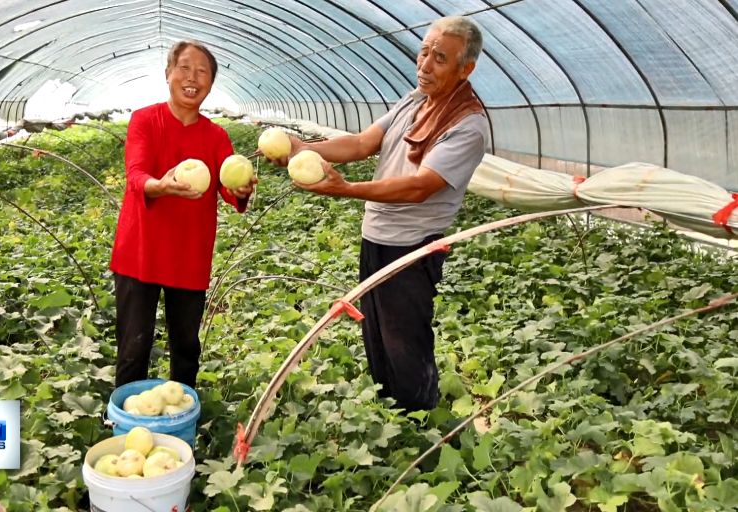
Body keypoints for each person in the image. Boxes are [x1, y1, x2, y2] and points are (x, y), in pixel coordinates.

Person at [266, 16, 489, 413]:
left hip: (412, 249)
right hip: (378, 238)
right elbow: (363, 143)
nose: (424, 66)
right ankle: (390, 418)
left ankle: (421, 422)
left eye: (439, 58)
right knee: (377, 335)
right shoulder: (416, 100)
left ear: (465, 68)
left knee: (406, 342)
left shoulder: (467, 124)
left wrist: (347, 190)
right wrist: (304, 148)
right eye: (423, 52)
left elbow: (420, 187)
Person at [110, 40, 258, 390]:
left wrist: (240, 190)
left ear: (210, 82)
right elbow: (136, 174)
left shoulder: (216, 136)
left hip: (188, 255)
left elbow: (226, 184)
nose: (193, 78)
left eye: (202, 71)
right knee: (133, 346)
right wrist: (158, 186)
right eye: (185, 68)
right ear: (168, 74)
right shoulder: (144, 120)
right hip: (140, 252)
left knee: (187, 348)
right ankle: (123, 421)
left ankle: (182, 420)